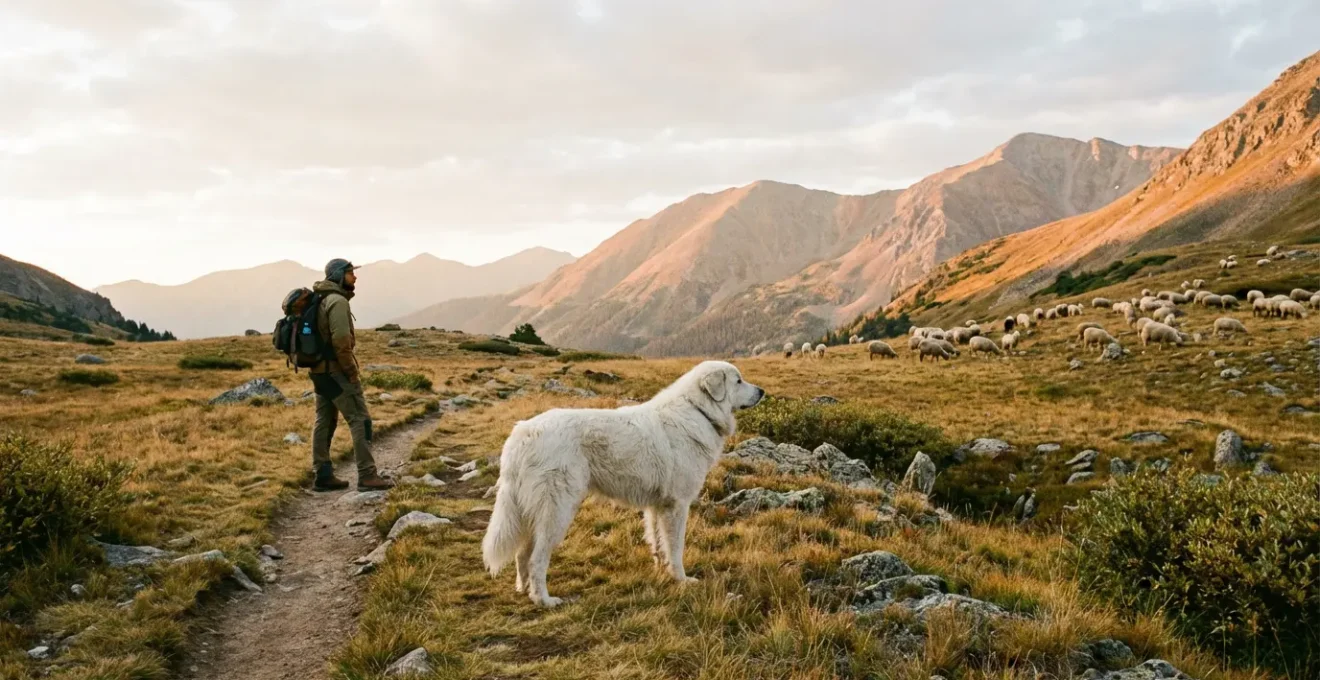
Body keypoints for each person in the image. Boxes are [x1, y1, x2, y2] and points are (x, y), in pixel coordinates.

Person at [308, 258, 393, 491]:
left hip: (319, 373)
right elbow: (342, 342)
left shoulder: (320, 299)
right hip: (337, 372)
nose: (354, 277)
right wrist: (351, 372)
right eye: (349, 273)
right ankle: (367, 475)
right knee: (360, 420)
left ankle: (322, 474)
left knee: (324, 420)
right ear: (337, 276)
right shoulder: (337, 301)